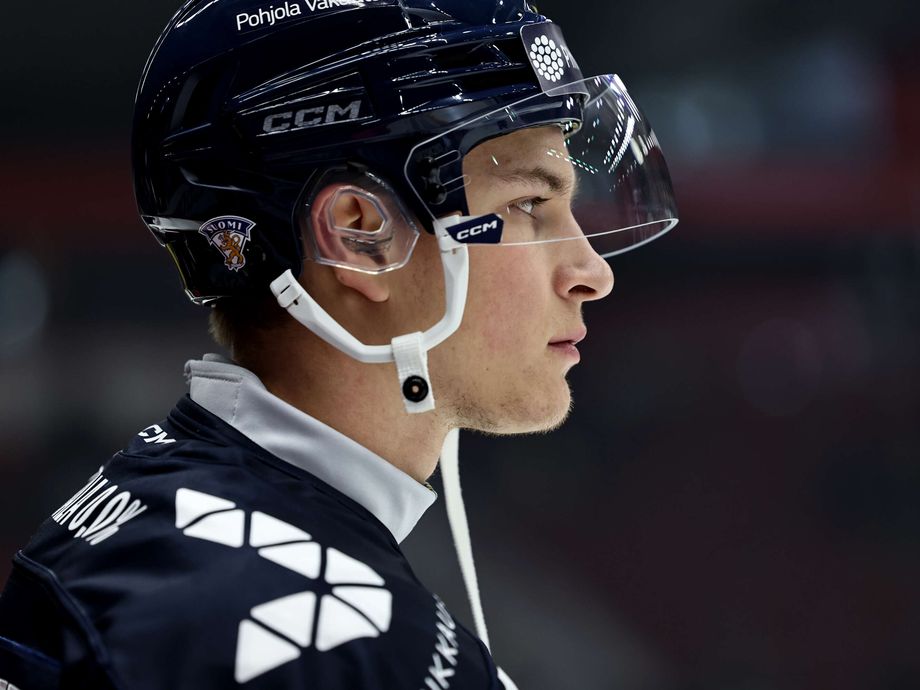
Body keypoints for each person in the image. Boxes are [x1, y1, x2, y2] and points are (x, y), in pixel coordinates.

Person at [0, 0, 678, 687]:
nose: (592, 273)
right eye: (527, 205)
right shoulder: (323, 645)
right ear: (360, 236)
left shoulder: (162, 517)